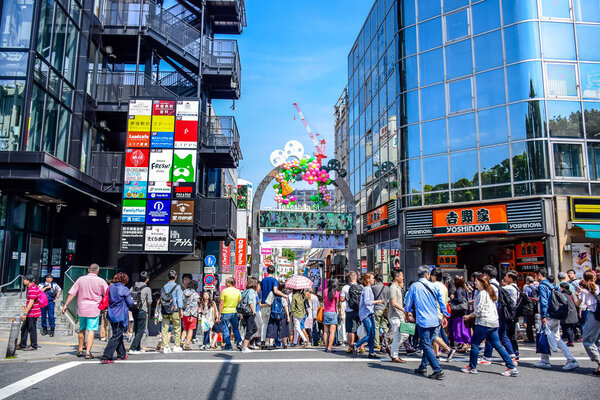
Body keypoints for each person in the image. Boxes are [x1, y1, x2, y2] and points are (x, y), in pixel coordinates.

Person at [461, 275, 519, 376]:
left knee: (474, 344)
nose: (475, 283)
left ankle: (472, 367)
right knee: (497, 345)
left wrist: (468, 316)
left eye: (477, 281)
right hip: (493, 322)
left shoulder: (482, 293)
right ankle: (511, 367)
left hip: (484, 323)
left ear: (483, 283)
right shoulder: (489, 292)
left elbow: (479, 310)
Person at [404, 266, 450, 380]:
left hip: (423, 320)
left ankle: (437, 369)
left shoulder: (414, 286)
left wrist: (406, 314)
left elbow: (408, 303)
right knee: (428, 344)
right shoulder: (434, 286)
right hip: (435, 319)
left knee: (425, 345)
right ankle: (423, 367)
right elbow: (441, 301)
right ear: (427, 275)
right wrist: (444, 315)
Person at [535, 267, 579, 370]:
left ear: (540, 275)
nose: (535, 277)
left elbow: (544, 302)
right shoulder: (551, 285)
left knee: (542, 336)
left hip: (549, 316)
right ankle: (570, 360)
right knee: (557, 338)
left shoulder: (542, 286)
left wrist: (543, 315)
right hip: (555, 315)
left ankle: (545, 361)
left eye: (536, 275)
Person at [62, 263, 108, 359]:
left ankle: (79, 349)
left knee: (82, 328)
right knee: (91, 330)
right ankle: (88, 352)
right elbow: (107, 294)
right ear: (97, 271)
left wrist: (65, 305)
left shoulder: (81, 279)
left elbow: (72, 293)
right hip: (94, 308)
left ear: (88, 270)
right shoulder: (101, 281)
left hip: (82, 308)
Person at [480, 265, 516, 366]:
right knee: (502, 335)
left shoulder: (491, 286)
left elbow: (492, 301)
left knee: (491, 335)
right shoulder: (498, 284)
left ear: (487, 275)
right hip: (502, 313)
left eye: (484, 274)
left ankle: (487, 357)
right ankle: (512, 356)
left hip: (495, 314)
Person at [100, 273, 133, 364]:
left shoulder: (111, 287)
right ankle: (106, 356)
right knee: (116, 336)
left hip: (111, 313)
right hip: (120, 315)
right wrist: (133, 301)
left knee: (118, 334)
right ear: (124, 280)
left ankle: (122, 354)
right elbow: (130, 302)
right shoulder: (124, 289)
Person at [352, 273, 384, 358]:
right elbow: (367, 302)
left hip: (369, 313)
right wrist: (378, 301)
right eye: (372, 278)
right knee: (370, 334)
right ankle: (357, 345)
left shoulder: (368, 288)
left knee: (372, 334)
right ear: (368, 280)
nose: (374, 280)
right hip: (365, 314)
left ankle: (371, 352)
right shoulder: (366, 289)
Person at [575, 270, 600, 376]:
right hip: (599, 315)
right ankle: (599, 368)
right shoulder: (597, 288)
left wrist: (575, 294)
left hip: (593, 316)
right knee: (597, 342)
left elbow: (577, 303)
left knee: (587, 341)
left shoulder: (584, 291)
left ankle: (599, 361)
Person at [429, 268, 455, 361]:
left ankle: (448, 350)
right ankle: (436, 355)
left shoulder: (432, 286)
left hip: (432, 313)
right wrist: (444, 316)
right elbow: (444, 302)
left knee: (433, 336)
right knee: (436, 335)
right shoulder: (444, 287)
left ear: (434, 276)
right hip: (440, 314)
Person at [159, 270, 183, 354]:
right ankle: (176, 346)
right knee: (177, 328)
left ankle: (165, 347)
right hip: (175, 309)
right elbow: (179, 299)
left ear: (168, 277)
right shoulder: (177, 286)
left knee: (165, 329)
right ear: (175, 277)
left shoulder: (164, 286)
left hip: (165, 310)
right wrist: (181, 309)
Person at [16, 275, 43, 351]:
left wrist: (25, 313)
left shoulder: (32, 289)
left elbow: (31, 302)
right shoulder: (32, 287)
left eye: (24, 280)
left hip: (32, 312)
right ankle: (22, 344)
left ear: (28, 281)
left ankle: (34, 346)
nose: (23, 281)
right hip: (31, 312)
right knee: (24, 328)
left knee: (32, 329)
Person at [129, 271, 152, 354]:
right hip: (142, 310)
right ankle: (132, 348)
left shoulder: (133, 286)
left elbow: (129, 295)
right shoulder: (147, 288)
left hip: (134, 309)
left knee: (136, 329)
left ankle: (138, 348)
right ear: (147, 279)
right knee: (141, 331)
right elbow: (149, 301)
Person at [218, 277, 243, 351]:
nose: (225, 283)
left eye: (226, 282)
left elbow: (221, 303)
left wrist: (219, 314)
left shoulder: (224, 291)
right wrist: (239, 312)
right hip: (234, 312)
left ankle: (228, 346)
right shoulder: (238, 291)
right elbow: (240, 302)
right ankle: (239, 343)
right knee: (235, 328)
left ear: (229, 283)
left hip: (225, 312)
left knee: (225, 329)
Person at [340, 271, 362, 353]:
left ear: (348, 278)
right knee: (360, 329)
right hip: (359, 311)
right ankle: (361, 347)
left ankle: (351, 347)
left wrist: (347, 299)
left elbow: (341, 299)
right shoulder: (361, 286)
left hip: (349, 310)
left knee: (351, 330)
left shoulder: (345, 287)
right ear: (356, 278)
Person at [265, 279, 291, 348]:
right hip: (282, 314)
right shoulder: (284, 295)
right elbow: (285, 306)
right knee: (283, 329)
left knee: (272, 328)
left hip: (273, 313)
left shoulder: (271, 293)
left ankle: (271, 343)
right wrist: (288, 316)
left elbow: (268, 303)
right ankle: (285, 344)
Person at [388, 270, 407, 363]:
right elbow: (394, 303)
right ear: (396, 277)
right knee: (397, 336)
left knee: (405, 334)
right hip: (394, 315)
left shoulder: (398, 287)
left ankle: (391, 348)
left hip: (399, 315)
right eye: (401, 276)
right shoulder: (393, 288)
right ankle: (394, 356)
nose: (402, 278)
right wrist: (404, 310)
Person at [448, 275, 471, 353]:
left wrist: (452, 298)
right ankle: (464, 344)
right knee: (463, 328)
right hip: (463, 312)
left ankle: (464, 344)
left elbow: (460, 300)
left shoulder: (458, 290)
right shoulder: (464, 289)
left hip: (458, 312)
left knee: (458, 329)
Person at [502, 271, 520, 360]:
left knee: (505, 334)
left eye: (506, 276)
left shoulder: (509, 287)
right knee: (511, 334)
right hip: (514, 312)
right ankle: (515, 353)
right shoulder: (516, 287)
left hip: (509, 312)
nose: (505, 278)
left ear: (510, 278)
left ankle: (511, 354)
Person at [259, 265, 279, 344]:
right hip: (271, 305)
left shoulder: (263, 280)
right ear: (274, 271)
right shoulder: (274, 280)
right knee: (272, 324)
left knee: (264, 323)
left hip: (263, 303)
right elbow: (275, 290)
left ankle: (263, 340)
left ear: (267, 271)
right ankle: (271, 342)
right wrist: (283, 295)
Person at [371, 274, 389, 350]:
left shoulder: (373, 288)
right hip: (384, 309)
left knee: (376, 326)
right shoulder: (387, 288)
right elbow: (388, 299)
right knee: (385, 325)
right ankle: (389, 340)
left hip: (377, 308)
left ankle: (376, 343)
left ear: (375, 280)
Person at [241, 278, 259, 353]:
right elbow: (250, 301)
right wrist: (253, 310)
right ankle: (245, 347)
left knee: (254, 328)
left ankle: (246, 343)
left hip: (245, 312)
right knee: (250, 329)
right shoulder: (251, 291)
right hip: (250, 312)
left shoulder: (246, 291)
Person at [322, 278, 340, 352]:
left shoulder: (325, 291)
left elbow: (323, 301)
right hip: (333, 312)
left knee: (325, 331)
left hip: (326, 312)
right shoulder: (336, 293)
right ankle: (329, 347)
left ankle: (326, 347)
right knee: (332, 332)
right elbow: (337, 305)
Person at [181, 280, 200, 350]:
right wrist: (192, 314)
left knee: (184, 329)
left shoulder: (184, 292)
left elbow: (181, 303)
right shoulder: (195, 294)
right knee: (190, 330)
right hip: (192, 315)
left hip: (184, 314)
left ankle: (182, 342)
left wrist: (182, 311)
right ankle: (187, 345)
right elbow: (194, 305)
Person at [559, 282, 578, 347]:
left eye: (560, 287)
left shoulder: (563, 295)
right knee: (570, 327)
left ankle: (570, 342)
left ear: (563, 288)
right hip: (573, 312)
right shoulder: (571, 294)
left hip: (567, 312)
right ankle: (571, 340)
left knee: (568, 328)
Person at [523, 276, 539, 343]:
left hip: (530, 307)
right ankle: (539, 337)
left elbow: (525, 297)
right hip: (537, 306)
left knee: (529, 324)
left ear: (527, 281)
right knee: (537, 323)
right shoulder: (537, 287)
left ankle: (530, 338)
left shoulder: (526, 288)